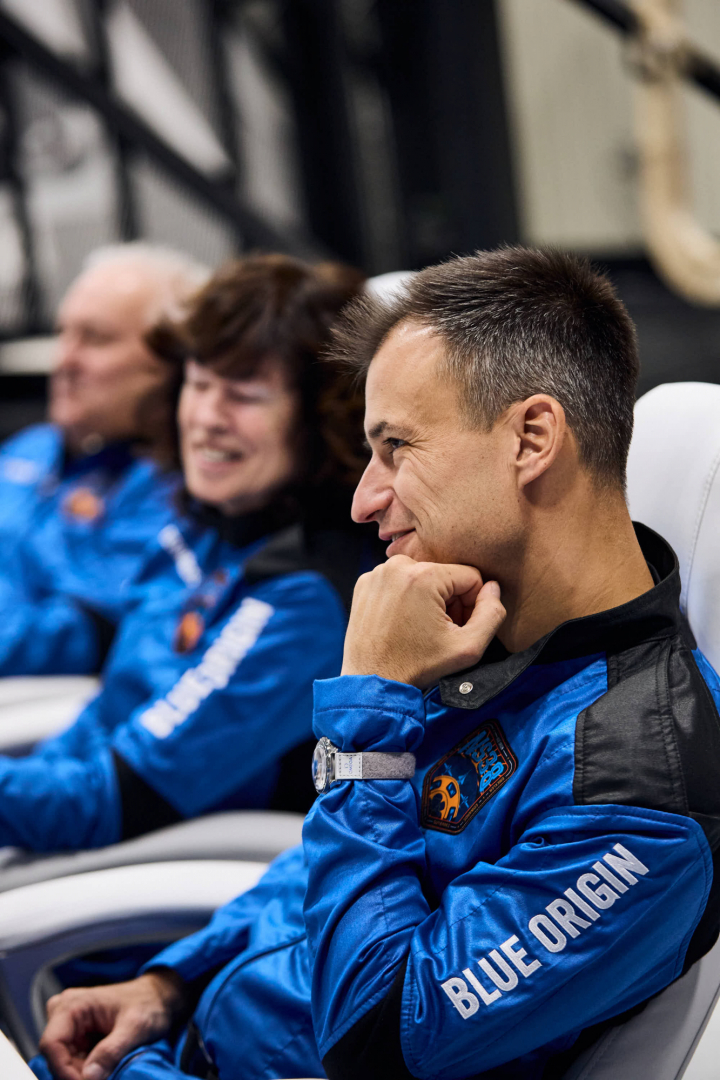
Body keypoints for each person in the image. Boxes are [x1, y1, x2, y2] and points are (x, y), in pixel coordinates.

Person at [34, 247, 720, 1080]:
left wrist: (371, 705)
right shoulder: (489, 631)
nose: (364, 497)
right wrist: (173, 981)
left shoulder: (638, 796)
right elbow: (337, 862)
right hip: (183, 1044)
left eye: (396, 447)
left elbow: (376, 1036)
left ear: (533, 438)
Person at [0, 253, 369, 853]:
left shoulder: (304, 595)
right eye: (198, 385)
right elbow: (102, 721)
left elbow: (110, 799)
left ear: (320, 416)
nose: (206, 419)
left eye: (244, 395)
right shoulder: (201, 523)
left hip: (158, 889)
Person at [0, 244, 209, 676]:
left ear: (172, 364)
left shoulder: (178, 485)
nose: (64, 361)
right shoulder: (30, 447)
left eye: (95, 338)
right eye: (64, 334)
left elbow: (72, 635)